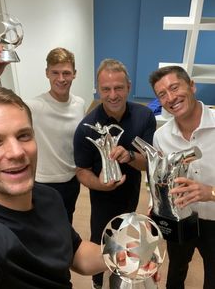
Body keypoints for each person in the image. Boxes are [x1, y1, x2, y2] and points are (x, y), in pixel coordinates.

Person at [0, 86, 106, 289]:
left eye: (23, 136)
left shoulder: (49, 197)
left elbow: (76, 253)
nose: (16, 152)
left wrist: (121, 254)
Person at [74, 58, 156, 288]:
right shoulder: (86, 127)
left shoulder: (144, 117)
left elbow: (148, 163)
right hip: (102, 199)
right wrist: (101, 185)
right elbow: (81, 171)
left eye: (118, 87)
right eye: (106, 89)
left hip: (131, 196)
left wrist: (130, 156)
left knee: (126, 240)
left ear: (129, 86)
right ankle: (97, 282)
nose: (112, 95)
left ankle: (120, 279)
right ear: (98, 89)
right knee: (101, 240)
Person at [0, 45, 85, 223]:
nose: (61, 79)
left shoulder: (80, 104)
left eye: (66, 73)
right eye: (55, 73)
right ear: (47, 73)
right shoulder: (34, 106)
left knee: (66, 222)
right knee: (43, 226)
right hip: (43, 183)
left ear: (74, 74)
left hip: (72, 180)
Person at [149, 65, 215, 289]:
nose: (170, 98)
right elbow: (159, 182)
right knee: (175, 273)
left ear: (192, 86)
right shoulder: (161, 137)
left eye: (174, 87)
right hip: (180, 220)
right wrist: (156, 209)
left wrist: (211, 192)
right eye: (162, 94)